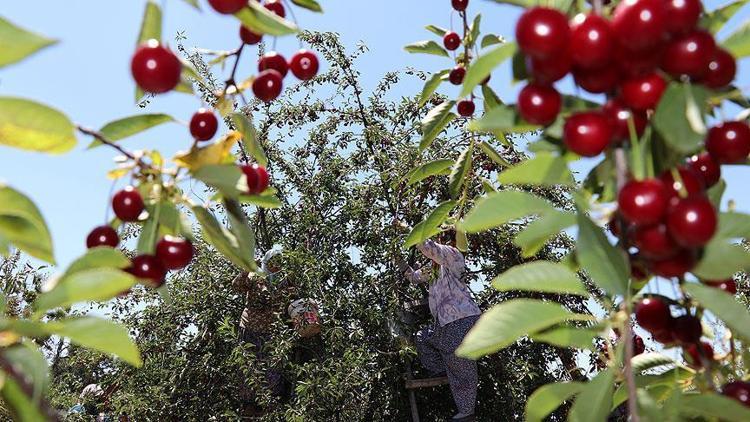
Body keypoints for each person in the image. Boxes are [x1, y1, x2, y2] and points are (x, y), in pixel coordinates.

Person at [397, 229, 481, 422]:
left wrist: (406, 229)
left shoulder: (454, 256)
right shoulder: (435, 269)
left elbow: (431, 249)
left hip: (461, 320)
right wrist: (399, 261)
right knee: (423, 338)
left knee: (464, 370)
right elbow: (414, 277)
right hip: (448, 324)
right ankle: (441, 370)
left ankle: (466, 413)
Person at [233, 246, 296, 409]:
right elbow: (237, 286)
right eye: (272, 262)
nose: (275, 266)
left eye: (279, 263)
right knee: (250, 366)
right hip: (250, 329)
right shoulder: (255, 276)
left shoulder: (285, 281)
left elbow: (295, 295)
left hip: (272, 332)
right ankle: (248, 405)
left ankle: (270, 404)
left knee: (273, 369)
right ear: (266, 262)